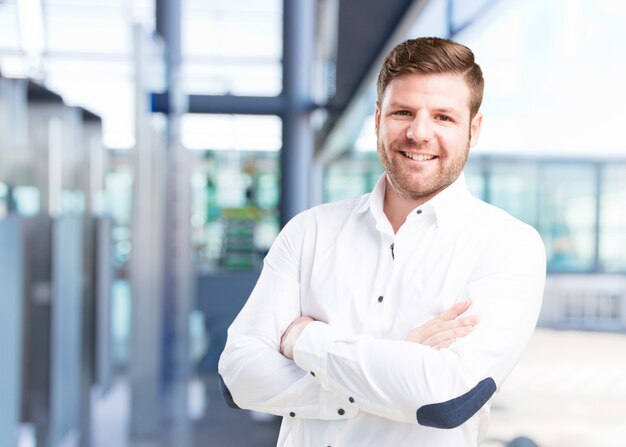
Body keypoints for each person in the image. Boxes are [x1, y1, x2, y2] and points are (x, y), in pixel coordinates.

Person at [219, 36, 546, 446]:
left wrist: (304, 340)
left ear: (473, 129)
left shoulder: (508, 245)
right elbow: (237, 376)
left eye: (443, 117)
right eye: (402, 112)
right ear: (377, 119)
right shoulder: (310, 232)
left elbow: (446, 399)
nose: (418, 133)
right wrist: (394, 365)